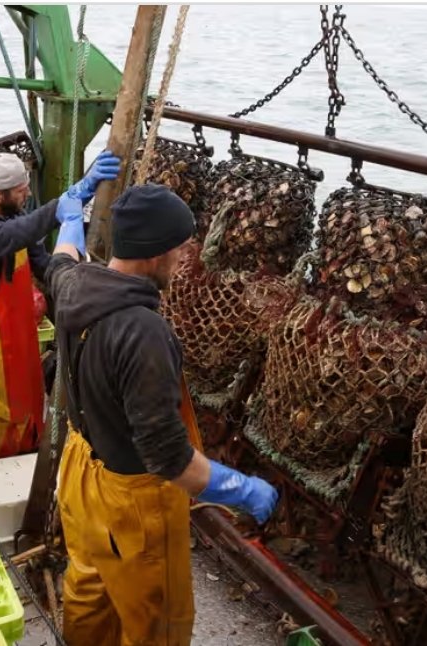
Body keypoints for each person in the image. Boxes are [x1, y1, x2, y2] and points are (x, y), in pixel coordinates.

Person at [45, 181, 280, 645]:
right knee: (157, 623)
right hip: (132, 503)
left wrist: (70, 218)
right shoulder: (143, 332)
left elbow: (62, 257)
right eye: (180, 248)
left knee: (88, 586)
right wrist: (243, 490)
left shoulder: (73, 285)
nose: (183, 259)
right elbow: (168, 457)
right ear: (154, 254)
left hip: (80, 472)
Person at [0, 150, 120, 461]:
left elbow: (43, 264)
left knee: (32, 402)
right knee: (9, 411)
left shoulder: (14, 217)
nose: (28, 193)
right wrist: (69, 199)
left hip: (22, 336)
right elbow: (21, 231)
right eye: (21, 190)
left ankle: (28, 451)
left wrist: (78, 280)